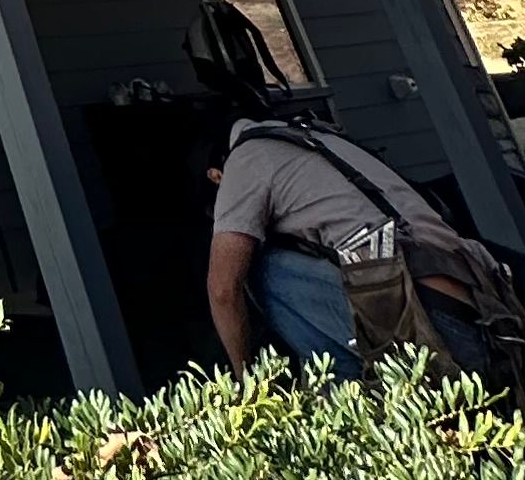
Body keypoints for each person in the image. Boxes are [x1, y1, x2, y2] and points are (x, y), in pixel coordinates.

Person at [204, 116, 495, 380]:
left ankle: (340, 383)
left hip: (422, 319)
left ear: (216, 176)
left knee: (256, 265)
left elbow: (222, 290)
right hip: (481, 302)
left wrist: (245, 383)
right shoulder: (321, 139)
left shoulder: (245, 160)